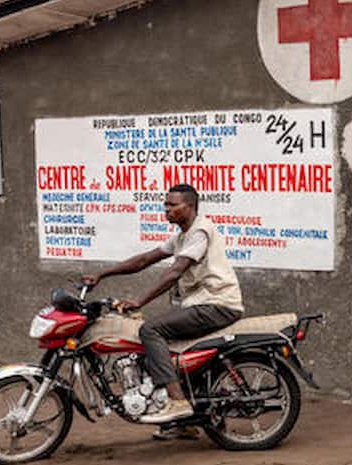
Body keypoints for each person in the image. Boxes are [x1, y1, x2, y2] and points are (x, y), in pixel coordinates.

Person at [82, 184, 244, 435]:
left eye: (172, 205)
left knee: (150, 330)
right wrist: (102, 275)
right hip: (203, 304)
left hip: (218, 304)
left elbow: (175, 272)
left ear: (190, 207)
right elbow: (144, 260)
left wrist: (140, 301)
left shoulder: (200, 232)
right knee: (162, 350)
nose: (166, 209)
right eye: (165, 204)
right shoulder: (181, 237)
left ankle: (178, 402)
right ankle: (185, 424)